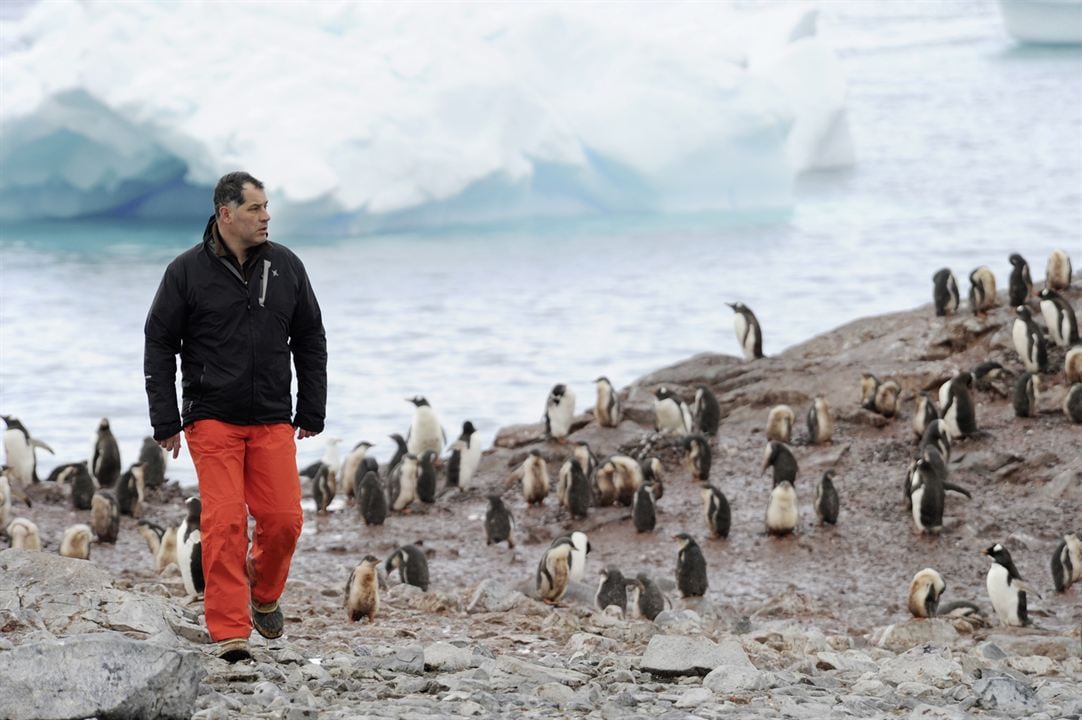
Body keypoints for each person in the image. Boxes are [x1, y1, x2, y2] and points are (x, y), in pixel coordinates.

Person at [144, 171, 327, 662]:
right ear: (226, 214)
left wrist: (311, 408)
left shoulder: (287, 266)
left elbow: (310, 338)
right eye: (255, 208)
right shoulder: (186, 272)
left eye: (267, 207)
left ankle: (264, 593)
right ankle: (230, 634)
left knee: (284, 520)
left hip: (271, 416)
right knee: (223, 523)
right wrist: (166, 419)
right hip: (211, 419)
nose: (266, 216)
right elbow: (160, 342)